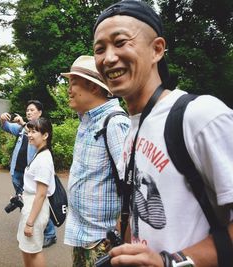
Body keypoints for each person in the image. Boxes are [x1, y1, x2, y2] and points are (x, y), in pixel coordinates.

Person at [93, 1, 233, 266]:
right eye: (100, 49)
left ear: (157, 49)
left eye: (121, 42)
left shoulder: (200, 115)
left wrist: (172, 262)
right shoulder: (131, 131)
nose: (108, 57)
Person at [61, 55, 130, 266]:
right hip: (83, 235)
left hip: (103, 240)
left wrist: (117, 234)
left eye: (74, 82)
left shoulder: (115, 123)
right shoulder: (87, 121)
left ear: (93, 87)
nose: (69, 89)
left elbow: (133, 185)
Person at [0, 100, 57, 248]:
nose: (28, 112)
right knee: (23, 202)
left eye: (32, 110)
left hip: (33, 176)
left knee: (39, 202)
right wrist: (2, 119)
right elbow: (5, 126)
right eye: (27, 110)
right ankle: (29, 225)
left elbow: (42, 195)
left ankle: (49, 234)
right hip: (18, 173)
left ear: (39, 113)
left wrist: (24, 124)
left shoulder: (39, 130)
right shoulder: (21, 129)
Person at [17, 117, 56, 267]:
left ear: (45, 135)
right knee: (26, 248)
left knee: (34, 250)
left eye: (34, 132)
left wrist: (30, 223)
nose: (30, 135)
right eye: (29, 131)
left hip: (35, 208)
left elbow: (40, 194)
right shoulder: (39, 154)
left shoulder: (44, 159)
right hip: (30, 204)